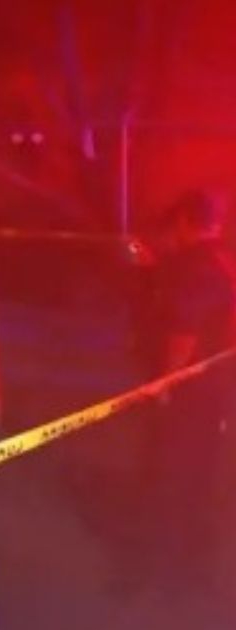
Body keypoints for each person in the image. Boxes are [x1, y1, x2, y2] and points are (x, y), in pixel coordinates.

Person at [136, 190, 236, 585]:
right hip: (215, 394)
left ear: (184, 222)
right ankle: (192, 559)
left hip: (187, 396)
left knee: (172, 476)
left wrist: (163, 384)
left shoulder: (195, 269)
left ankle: (165, 567)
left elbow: (184, 333)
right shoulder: (224, 264)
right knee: (200, 475)